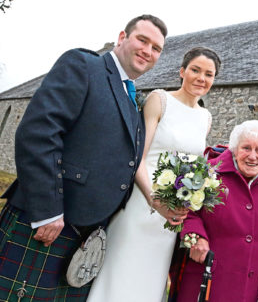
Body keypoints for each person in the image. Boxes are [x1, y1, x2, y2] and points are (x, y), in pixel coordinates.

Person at [0, 14, 170, 301]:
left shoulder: (132, 96)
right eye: (142, 40)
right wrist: (48, 210)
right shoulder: (85, 66)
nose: (148, 51)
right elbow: (38, 133)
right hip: (52, 220)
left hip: (85, 231)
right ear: (122, 37)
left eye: (156, 48)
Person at [87, 47, 222, 301]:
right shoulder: (160, 100)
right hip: (140, 204)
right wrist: (153, 199)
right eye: (195, 70)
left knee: (149, 282)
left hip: (169, 219)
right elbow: (137, 158)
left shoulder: (205, 117)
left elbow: (197, 167)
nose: (201, 78)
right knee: (122, 276)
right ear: (182, 71)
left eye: (209, 74)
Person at [176, 120, 258, 302]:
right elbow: (185, 211)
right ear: (234, 150)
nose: (253, 156)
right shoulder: (207, 171)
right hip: (208, 275)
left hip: (254, 283)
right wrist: (194, 237)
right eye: (246, 148)